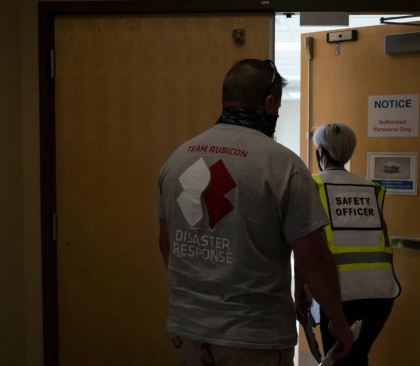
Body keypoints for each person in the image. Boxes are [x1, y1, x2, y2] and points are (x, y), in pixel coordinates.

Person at [156, 58, 354, 366]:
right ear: (269, 102)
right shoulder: (283, 165)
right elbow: (313, 259)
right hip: (253, 339)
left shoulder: (178, 159)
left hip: (188, 331)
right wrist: (338, 322)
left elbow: (167, 244)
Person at [296, 122, 402, 366]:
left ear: (320, 152)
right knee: (357, 358)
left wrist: (299, 290)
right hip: (381, 295)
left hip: (338, 296)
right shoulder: (372, 189)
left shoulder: (312, 186)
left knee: (340, 361)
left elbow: (306, 248)